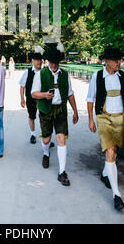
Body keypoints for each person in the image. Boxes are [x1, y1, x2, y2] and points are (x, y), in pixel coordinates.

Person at [86, 47, 124, 211]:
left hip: (119, 117)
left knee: (114, 150)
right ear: (107, 62)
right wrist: (90, 119)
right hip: (103, 117)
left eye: (119, 60)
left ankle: (105, 173)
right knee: (110, 152)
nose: (119, 63)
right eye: (116, 60)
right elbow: (90, 99)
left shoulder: (123, 76)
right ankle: (117, 195)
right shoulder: (97, 76)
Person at [31, 47, 79, 186]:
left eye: (56, 62)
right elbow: (33, 93)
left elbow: (70, 93)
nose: (54, 65)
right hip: (45, 109)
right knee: (46, 139)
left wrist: (75, 111)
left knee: (61, 138)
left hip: (60, 110)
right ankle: (46, 153)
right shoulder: (40, 74)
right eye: (51, 62)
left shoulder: (65, 74)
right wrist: (44, 95)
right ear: (47, 61)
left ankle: (62, 172)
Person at [19, 47, 45, 145]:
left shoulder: (44, 72)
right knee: (32, 116)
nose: (39, 62)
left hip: (43, 99)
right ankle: (33, 134)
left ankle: (45, 136)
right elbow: (22, 86)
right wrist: (22, 99)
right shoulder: (28, 72)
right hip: (30, 99)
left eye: (40, 60)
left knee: (44, 117)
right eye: (37, 60)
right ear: (33, 61)